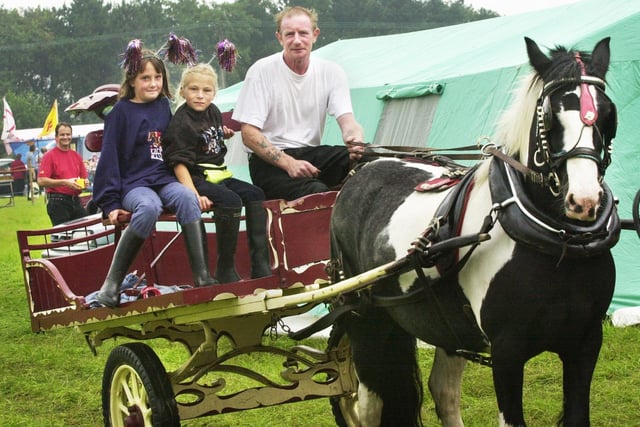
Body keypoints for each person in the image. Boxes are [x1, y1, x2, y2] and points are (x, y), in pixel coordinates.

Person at [92, 48, 217, 308]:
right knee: (149, 207)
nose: (153, 83)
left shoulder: (162, 106)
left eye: (157, 77)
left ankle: (203, 277)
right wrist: (111, 204)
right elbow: (109, 158)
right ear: (132, 81)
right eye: (145, 78)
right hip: (134, 185)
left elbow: (176, 143)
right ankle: (110, 286)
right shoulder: (119, 113)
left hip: (163, 178)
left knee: (187, 197)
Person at [232, 6, 365, 201]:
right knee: (318, 193)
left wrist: (355, 139)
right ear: (279, 37)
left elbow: (348, 121)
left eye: (303, 33)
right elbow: (249, 134)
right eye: (289, 34)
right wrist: (289, 163)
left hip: (312, 154)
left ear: (315, 35)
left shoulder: (332, 72)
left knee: (373, 163)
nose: (297, 40)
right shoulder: (261, 71)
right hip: (269, 162)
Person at [163, 63, 271, 283]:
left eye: (207, 91)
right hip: (196, 176)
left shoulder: (212, 111)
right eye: (193, 89)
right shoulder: (180, 122)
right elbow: (178, 164)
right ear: (182, 90)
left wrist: (223, 133)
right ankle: (225, 267)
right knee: (231, 201)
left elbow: (207, 136)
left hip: (218, 173)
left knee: (256, 194)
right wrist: (193, 193)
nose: (200, 96)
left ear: (214, 93)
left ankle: (260, 263)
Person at [37, 123, 88, 225]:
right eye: (62, 135)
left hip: (76, 201)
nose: (66, 137)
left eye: (68, 134)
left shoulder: (76, 156)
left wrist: (85, 183)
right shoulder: (49, 156)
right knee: (64, 237)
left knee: (85, 232)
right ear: (56, 137)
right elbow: (41, 181)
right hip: (58, 202)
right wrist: (64, 182)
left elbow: (84, 178)